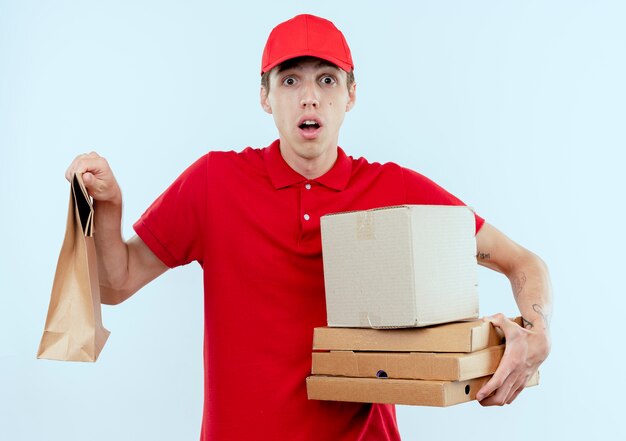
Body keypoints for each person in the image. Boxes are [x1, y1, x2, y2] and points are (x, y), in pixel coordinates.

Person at [65, 14, 552, 441]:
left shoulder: (395, 191)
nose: (310, 99)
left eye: (326, 80)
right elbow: (115, 283)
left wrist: (537, 331)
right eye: (290, 81)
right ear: (265, 97)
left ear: (351, 94)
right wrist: (109, 209)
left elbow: (522, 262)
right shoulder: (214, 183)